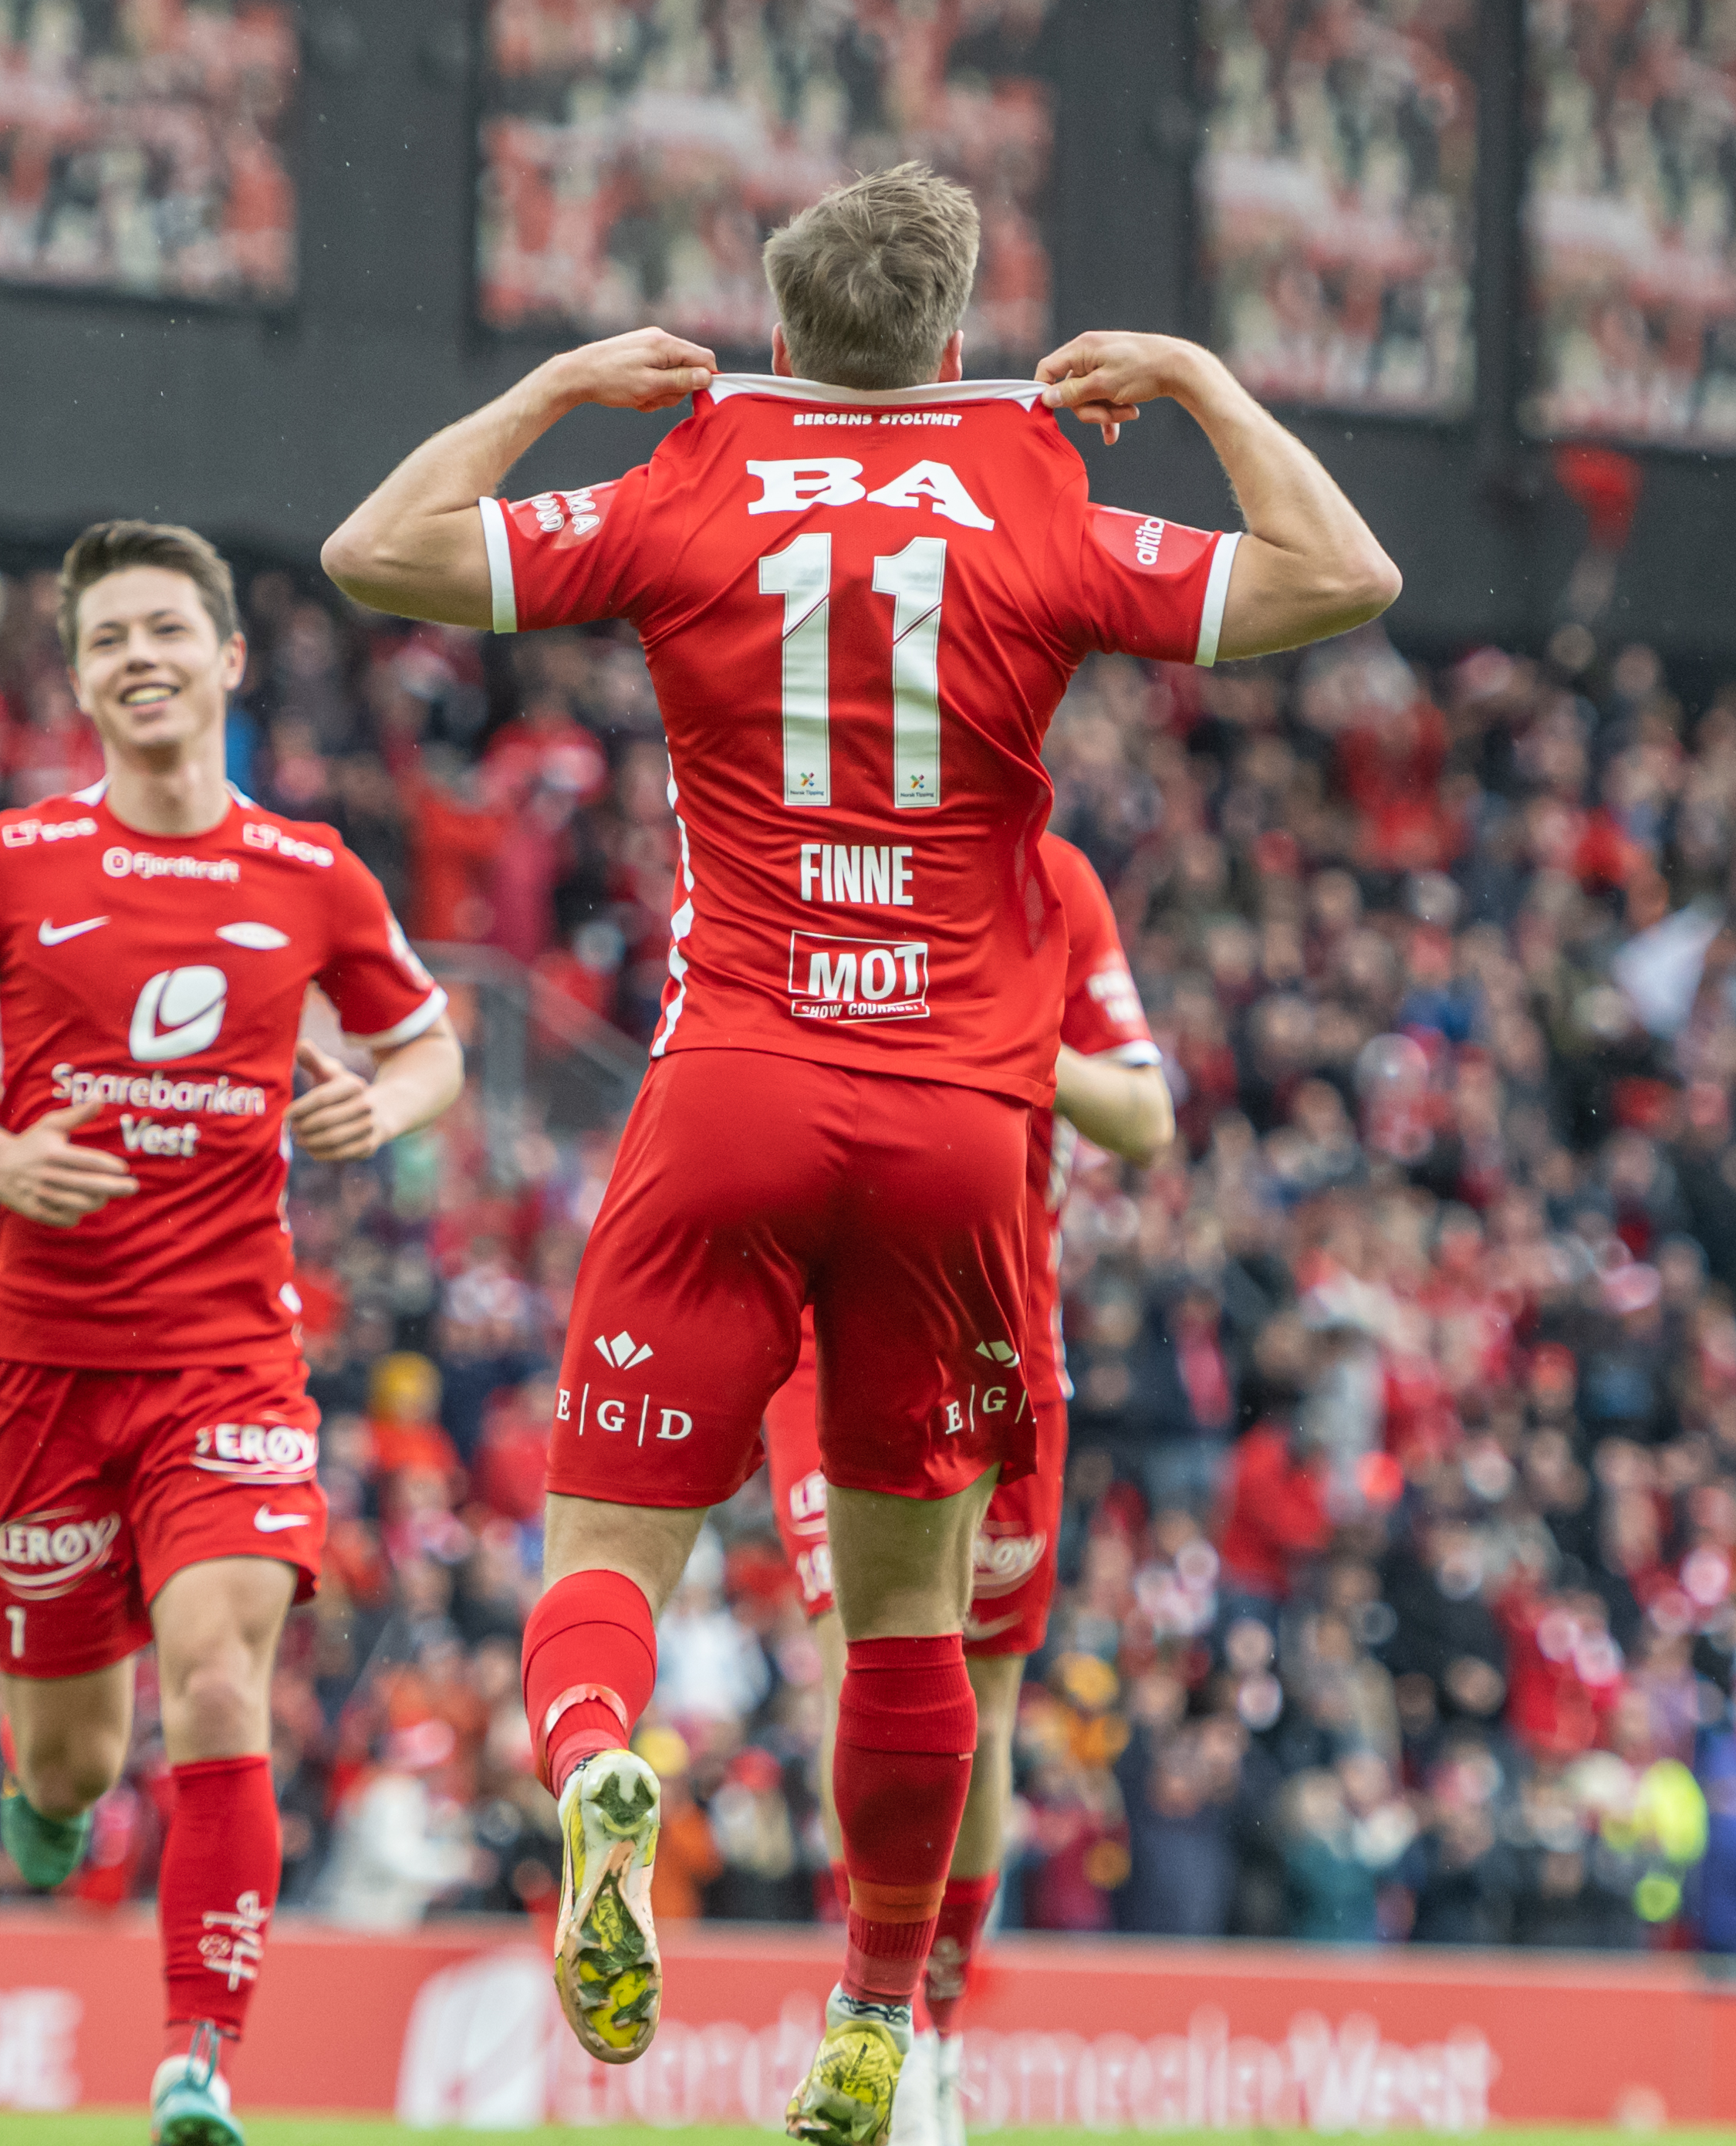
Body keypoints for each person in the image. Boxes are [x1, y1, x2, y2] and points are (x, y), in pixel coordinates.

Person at [325, 160, 1395, 2144]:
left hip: (729, 1080)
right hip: (954, 1132)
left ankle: (591, 1772)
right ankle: (878, 2019)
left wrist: (558, 388)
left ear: (779, 331)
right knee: (908, 1636)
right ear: (956, 340)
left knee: (602, 1549)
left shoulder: (685, 486)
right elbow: (1345, 581)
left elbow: (372, 551)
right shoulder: (1034, 494)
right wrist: (1192, 378)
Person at [0, 519, 462, 2146]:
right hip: (44, 1369)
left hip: (229, 1361)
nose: (139, 658)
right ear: (79, 678)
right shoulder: (10, 862)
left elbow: (430, 1048)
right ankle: (50, 1803)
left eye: (165, 631)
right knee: (69, 1754)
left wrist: (377, 1110)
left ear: (226, 660)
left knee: (217, 1679)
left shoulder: (314, 874)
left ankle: (199, 2052)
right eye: (109, 638)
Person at [760, 833, 1172, 2146]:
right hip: (825, 1336)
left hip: (1002, 1343)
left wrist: (998, 1041)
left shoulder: (1054, 883)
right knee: (867, 1659)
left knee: (981, 1704)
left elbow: (1145, 1118)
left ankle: (931, 2026)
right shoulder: (791, 841)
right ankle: (885, 2016)